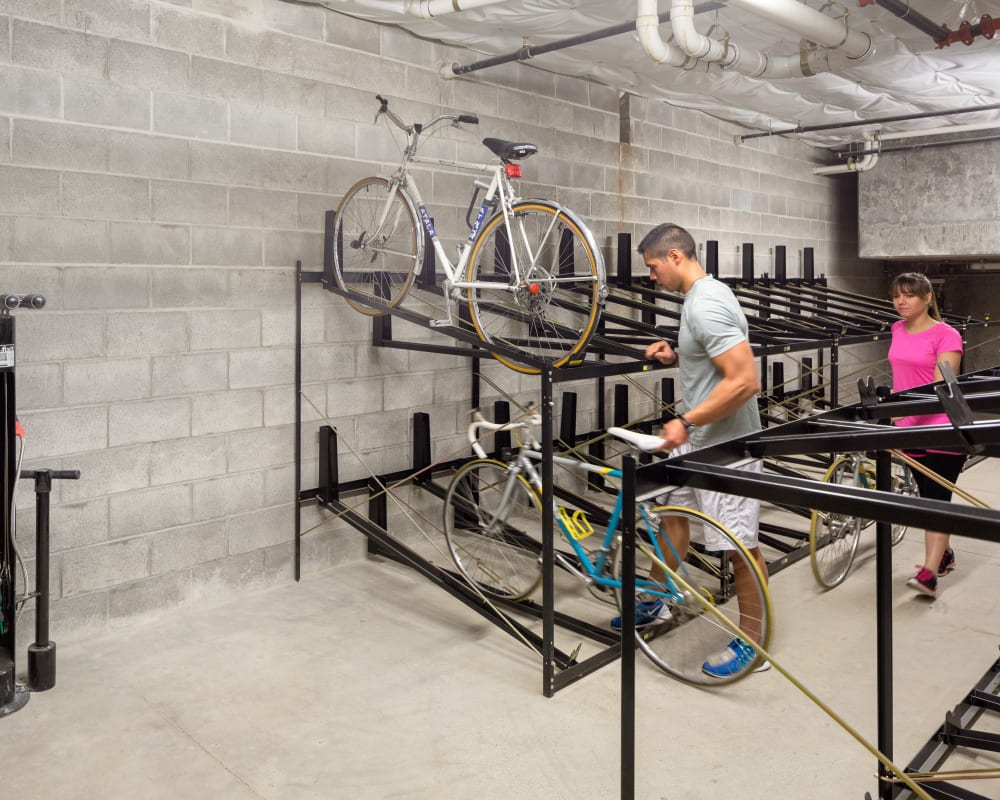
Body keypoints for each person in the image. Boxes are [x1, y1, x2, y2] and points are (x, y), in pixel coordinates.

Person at [611, 222, 768, 679]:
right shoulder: (700, 299)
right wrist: (677, 355)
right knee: (673, 522)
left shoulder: (706, 305)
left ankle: (754, 646)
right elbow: (714, 360)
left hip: (725, 448)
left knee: (742, 548)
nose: (652, 277)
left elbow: (744, 380)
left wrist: (686, 421)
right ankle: (657, 603)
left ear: (675, 257)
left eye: (653, 267)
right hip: (698, 446)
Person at [888, 272, 965, 598]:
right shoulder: (896, 329)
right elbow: (901, 375)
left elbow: (940, 389)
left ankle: (929, 574)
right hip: (908, 430)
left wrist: (900, 415)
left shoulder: (947, 335)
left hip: (941, 428)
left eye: (909, 295)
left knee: (936, 501)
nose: (901, 301)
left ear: (928, 298)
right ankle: (943, 555)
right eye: (896, 296)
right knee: (927, 497)